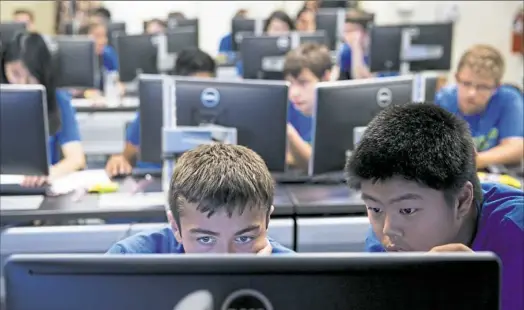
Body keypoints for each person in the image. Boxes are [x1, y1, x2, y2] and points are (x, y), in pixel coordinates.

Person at [345, 103, 523, 310]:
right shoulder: (382, 244)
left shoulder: (518, 235)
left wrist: (479, 297)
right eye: (375, 209)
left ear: (462, 200)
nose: (387, 230)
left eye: (407, 210)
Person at [107, 144, 294, 254]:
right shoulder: (127, 262)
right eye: (205, 239)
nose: (225, 260)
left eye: (244, 238)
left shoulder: (297, 279)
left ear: (267, 220)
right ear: (175, 227)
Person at [105, 47, 216, 176]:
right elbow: (126, 156)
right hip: (154, 176)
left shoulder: (222, 110)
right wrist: (118, 160)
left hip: (204, 183)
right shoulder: (155, 107)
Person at [2, 32, 86, 186]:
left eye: (30, 76)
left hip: (38, 187)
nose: (22, 83)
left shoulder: (58, 100)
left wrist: (50, 173)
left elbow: (76, 158)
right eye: (15, 74)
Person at [436, 45, 524, 170]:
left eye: (482, 87)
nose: (472, 93)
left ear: (496, 87)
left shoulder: (509, 99)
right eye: (466, 83)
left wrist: (475, 161)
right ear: (456, 78)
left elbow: (516, 147)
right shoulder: (442, 100)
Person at [284, 42, 332, 170]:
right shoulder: (288, 108)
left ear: (326, 78)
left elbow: (319, 165)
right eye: (290, 83)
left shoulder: (337, 116)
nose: (293, 93)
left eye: (303, 83)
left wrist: (287, 132)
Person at [337, 8, 397, 80]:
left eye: (350, 31)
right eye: (345, 32)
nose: (345, 36)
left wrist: (356, 49)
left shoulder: (382, 52)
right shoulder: (346, 50)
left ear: (365, 32)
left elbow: (366, 82)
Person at [82, 22, 123, 99]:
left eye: (104, 36)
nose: (103, 40)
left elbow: (116, 78)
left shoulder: (108, 54)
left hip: (103, 101)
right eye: (97, 36)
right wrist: (84, 92)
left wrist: (119, 87)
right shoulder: (76, 58)